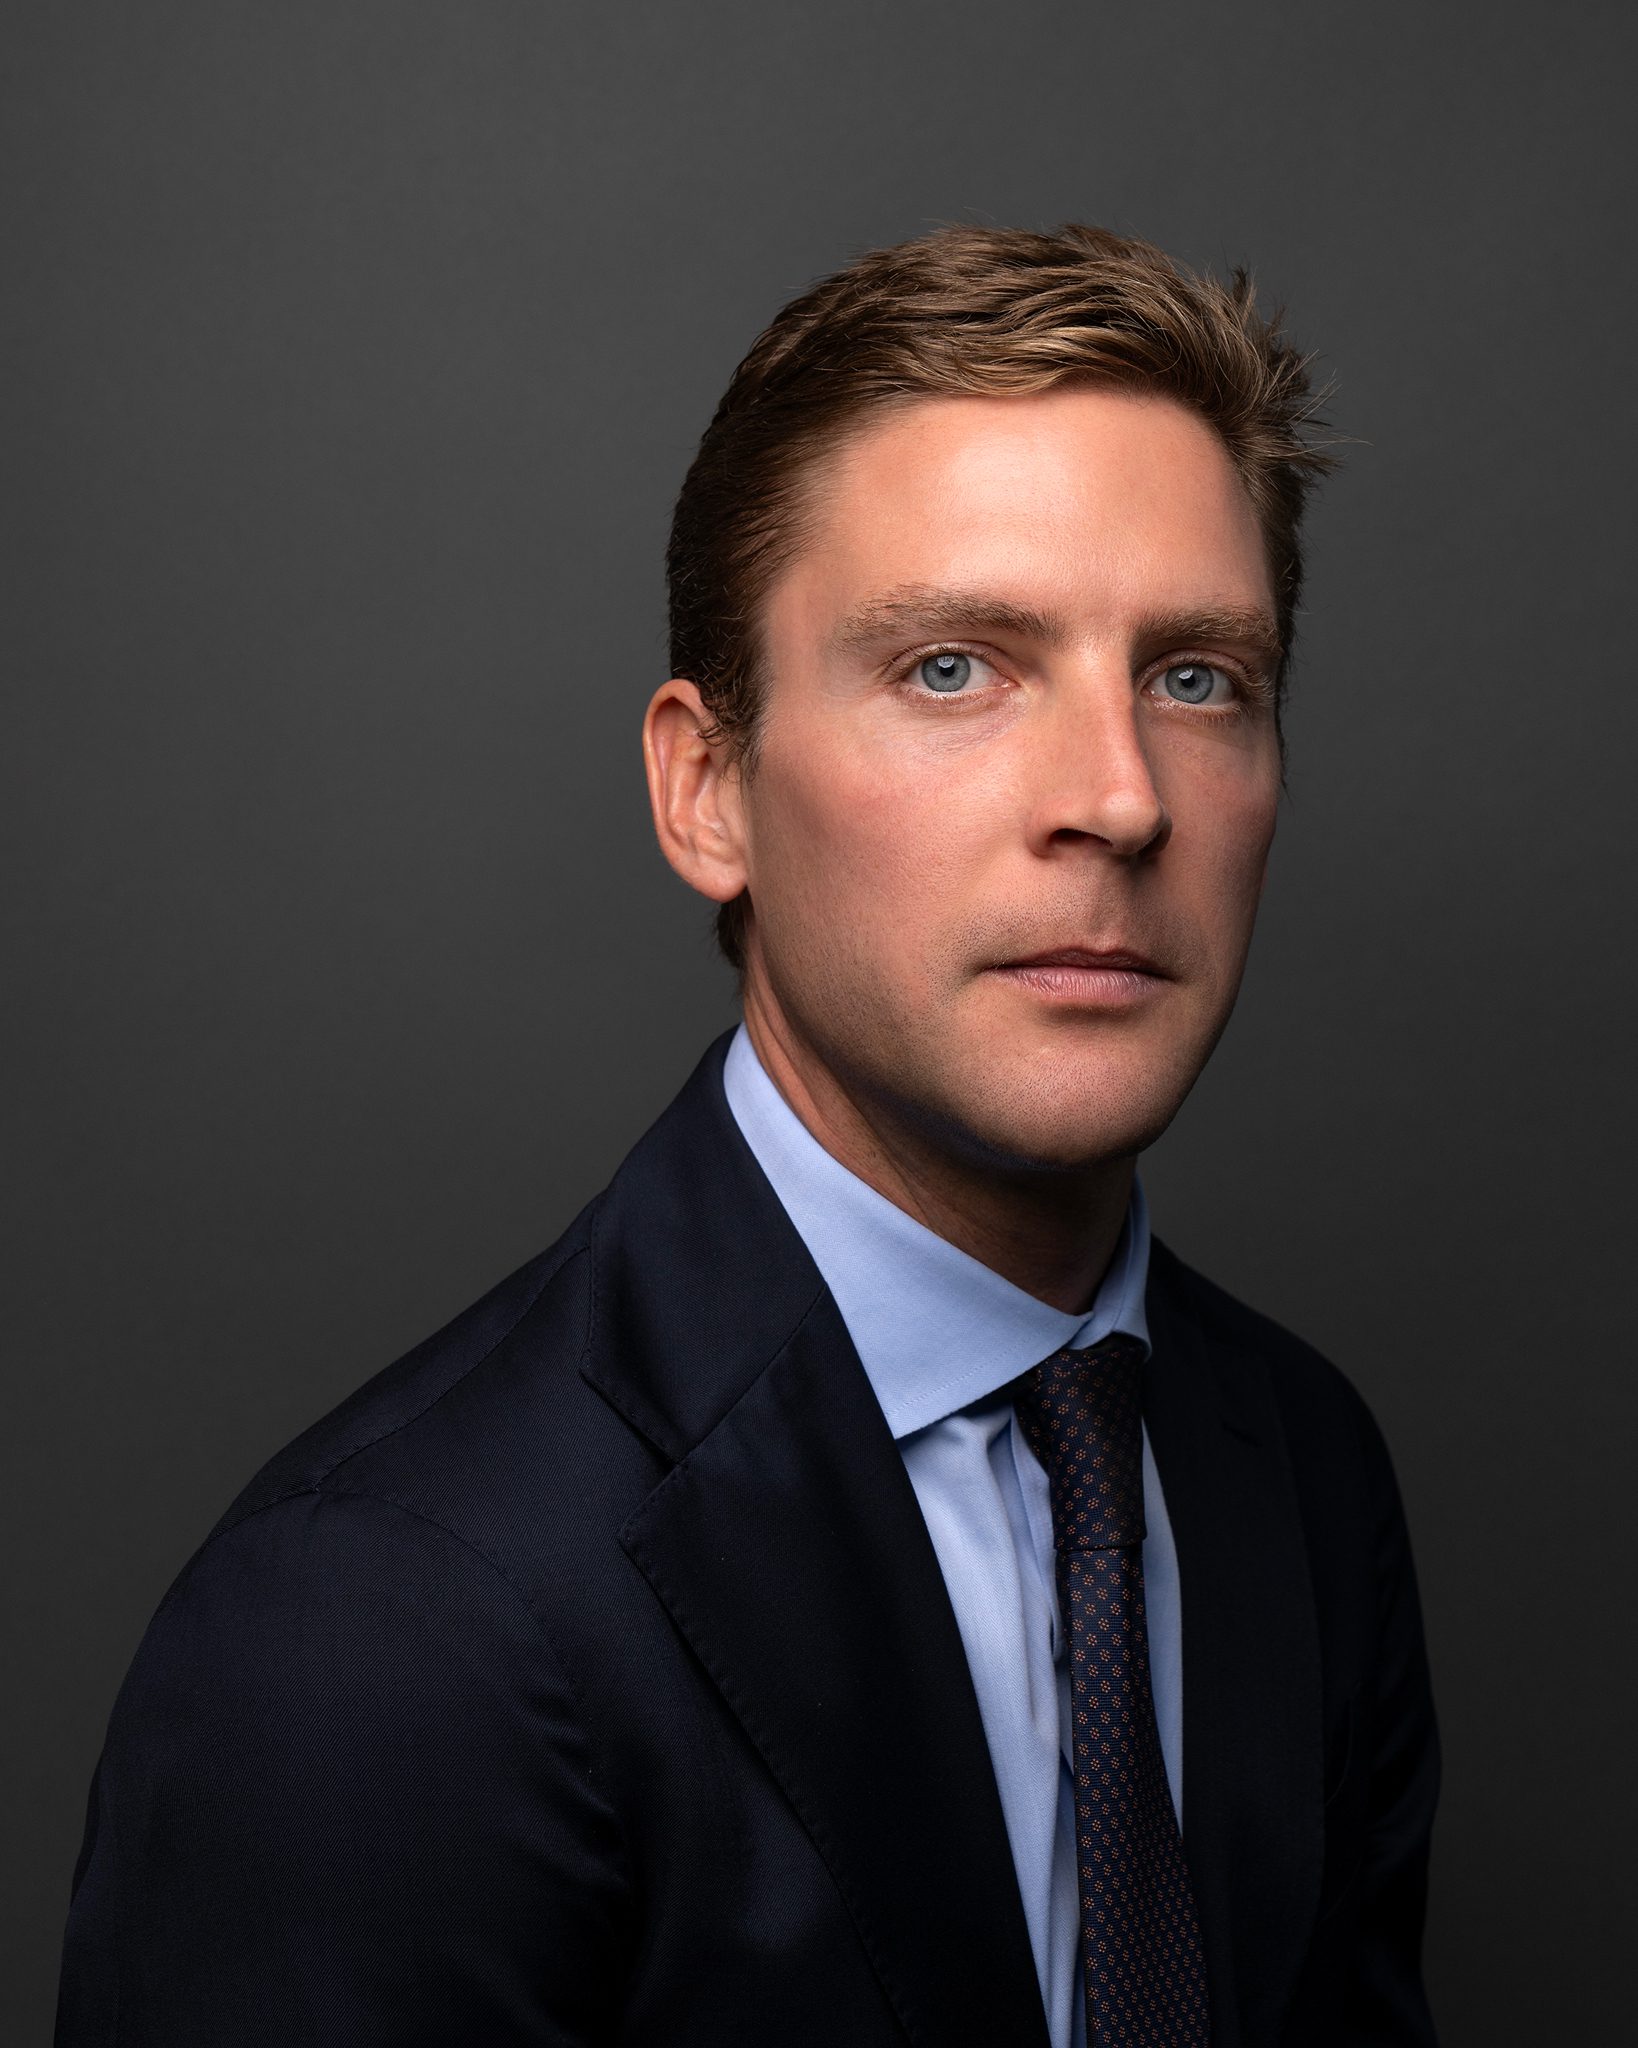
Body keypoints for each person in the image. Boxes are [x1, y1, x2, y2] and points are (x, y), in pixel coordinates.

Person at [55, 224, 1439, 2047]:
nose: (1117, 796)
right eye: (955, 667)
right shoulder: (379, 1626)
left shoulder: (1297, 1471)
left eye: (1196, 677)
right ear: (707, 792)